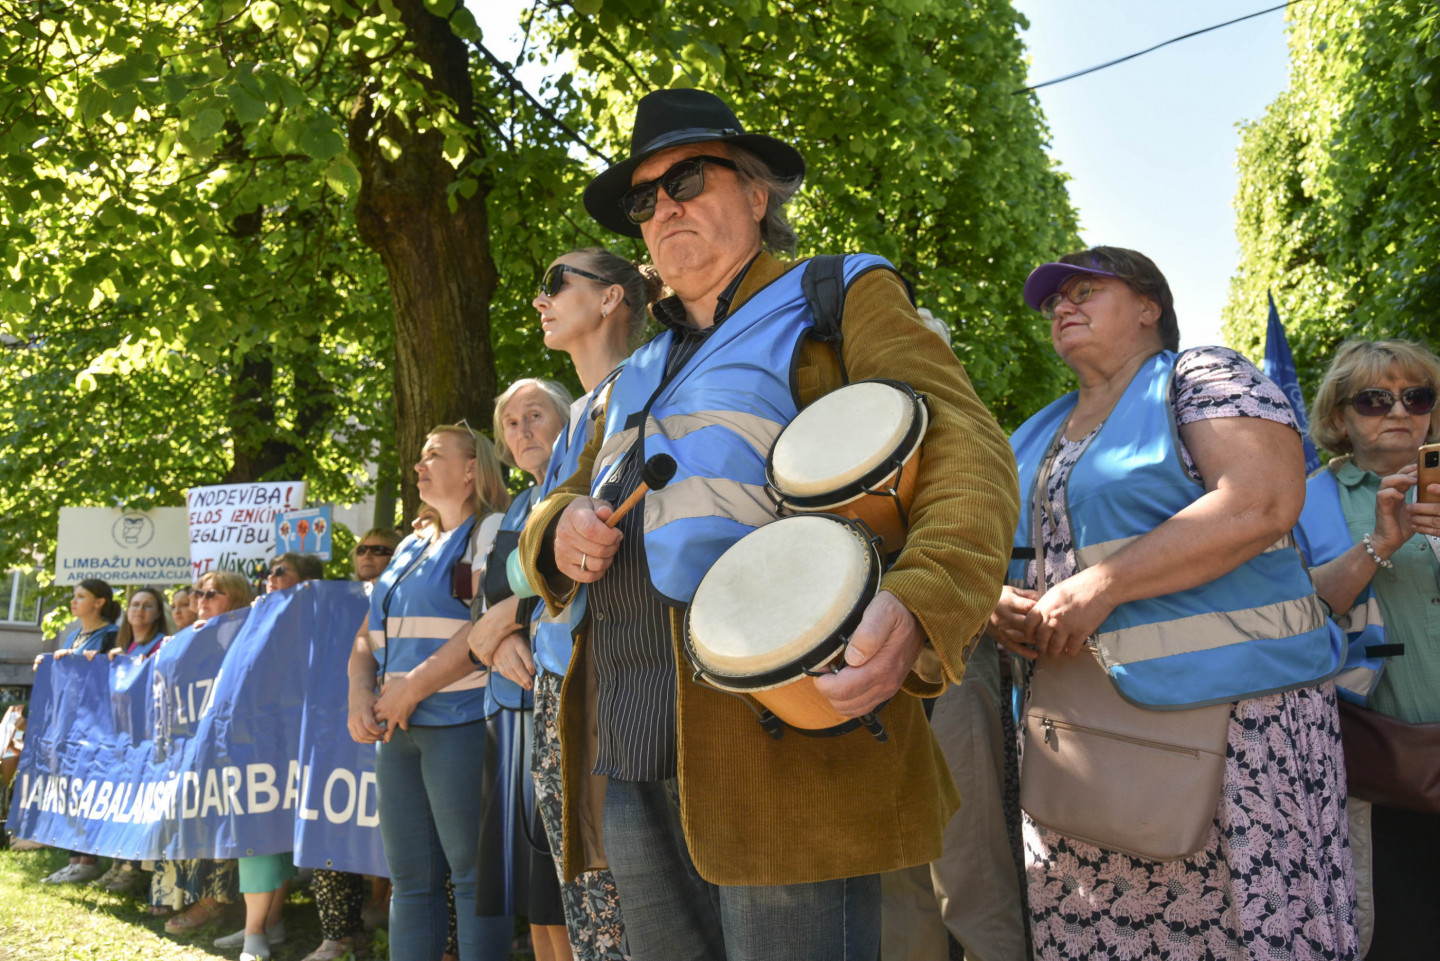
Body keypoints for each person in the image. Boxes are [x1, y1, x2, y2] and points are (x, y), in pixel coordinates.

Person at [517, 88, 1019, 960]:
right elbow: (553, 503)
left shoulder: (838, 295)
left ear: (757, 192)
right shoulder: (631, 370)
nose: (664, 207)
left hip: (785, 740)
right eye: (644, 199)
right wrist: (557, 531)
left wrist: (923, 600)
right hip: (628, 742)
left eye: (688, 179)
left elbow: (967, 451)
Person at [992, 246, 1356, 959]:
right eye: (1054, 301)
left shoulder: (1202, 376)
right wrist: (994, 602)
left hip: (1236, 725)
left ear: (1148, 307)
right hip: (1082, 737)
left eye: (1085, 291)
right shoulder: (1031, 433)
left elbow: (1261, 502)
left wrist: (1100, 585)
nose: (1062, 306)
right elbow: (993, 554)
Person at [487, 250, 657, 961]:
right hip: (559, 685)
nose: (540, 300)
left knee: (628, 905)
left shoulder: (652, 384)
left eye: (556, 283)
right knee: (584, 897)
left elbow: (530, 567)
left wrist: (513, 594)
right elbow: (516, 566)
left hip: (619, 677)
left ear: (612, 297)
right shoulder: (584, 413)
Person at [1293, 339, 1440, 960]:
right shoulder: (1304, 500)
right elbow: (1294, 617)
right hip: (1383, 766)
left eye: (1417, 397)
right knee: (1402, 935)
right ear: (1339, 416)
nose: (1399, 411)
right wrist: (1378, 544)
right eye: (1376, 400)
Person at [347, 424, 514, 961]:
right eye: (420, 457)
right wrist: (359, 694)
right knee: (410, 881)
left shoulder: (491, 531)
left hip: (462, 722)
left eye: (434, 455)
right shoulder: (410, 544)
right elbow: (366, 637)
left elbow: (485, 627)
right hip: (396, 729)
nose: (419, 466)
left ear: (471, 469)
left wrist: (410, 689)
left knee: (473, 876)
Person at [467, 378, 574, 961]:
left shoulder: (579, 490)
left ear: (568, 421)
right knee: (532, 890)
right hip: (510, 712)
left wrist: (506, 620)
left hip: (566, 703)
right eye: (511, 423)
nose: (523, 430)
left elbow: (578, 580)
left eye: (535, 415)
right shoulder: (514, 508)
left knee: (568, 886)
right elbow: (482, 610)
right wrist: (496, 639)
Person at [213, 555, 325, 959]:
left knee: (280, 834)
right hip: (255, 741)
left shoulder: (320, 619)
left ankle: (264, 926)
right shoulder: (254, 616)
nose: (270, 579)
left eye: (281, 572)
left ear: (307, 581)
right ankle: (257, 930)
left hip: (298, 738)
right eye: (267, 573)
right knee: (257, 831)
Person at [302, 528, 402, 961]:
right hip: (335, 731)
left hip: (399, 722)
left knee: (400, 830)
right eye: (363, 548)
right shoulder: (330, 601)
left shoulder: (408, 592)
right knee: (332, 822)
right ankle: (340, 934)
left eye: (381, 550)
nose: (369, 555)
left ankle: (417, 934)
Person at [155, 570, 248, 933]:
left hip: (232, 746)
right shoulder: (187, 637)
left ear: (236, 599)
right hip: (189, 746)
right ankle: (179, 893)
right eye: (199, 593)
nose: (201, 600)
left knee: (220, 819)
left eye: (212, 593)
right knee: (189, 816)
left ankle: (215, 901)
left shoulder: (246, 633)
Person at [38, 578, 122, 884]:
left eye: (81, 596)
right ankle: (73, 859)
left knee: (88, 787)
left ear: (99, 602)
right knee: (68, 788)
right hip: (67, 722)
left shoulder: (111, 635)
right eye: (74, 596)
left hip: (95, 724)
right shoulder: (73, 636)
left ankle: (89, 860)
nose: (73, 601)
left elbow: (112, 674)